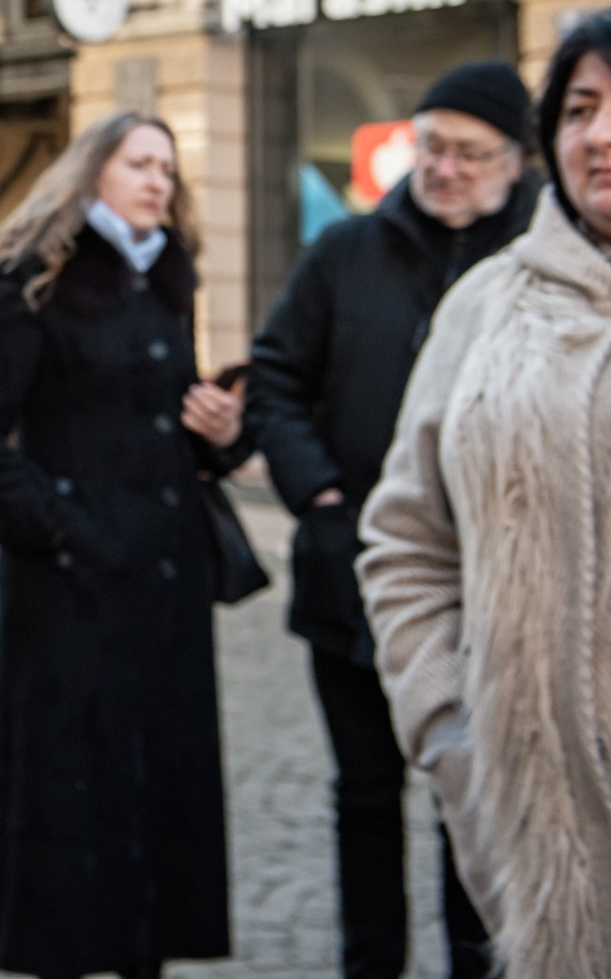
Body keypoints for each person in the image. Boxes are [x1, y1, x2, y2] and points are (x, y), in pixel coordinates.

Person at [0, 112, 249, 979]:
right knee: (76, 801)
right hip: (71, 590)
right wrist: (59, 526)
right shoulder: (31, 280)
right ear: (91, 173)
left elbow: (163, 424)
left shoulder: (166, 280)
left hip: (165, 584)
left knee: (157, 793)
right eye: (139, 162)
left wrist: (221, 431)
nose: (157, 180)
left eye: (167, 168)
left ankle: (147, 955)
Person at [248, 61, 534, 979]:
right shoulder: (346, 250)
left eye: (468, 152)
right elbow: (277, 376)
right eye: (431, 146)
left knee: (480, 803)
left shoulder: (539, 260)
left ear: (516, 161)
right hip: (352, 576)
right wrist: (319, 496)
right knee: (365, 797)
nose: (443, 168)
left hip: (496, 589)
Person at [359, 13, 611, 979]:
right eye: (581, 108)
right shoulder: (490, 304)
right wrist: (452, 734)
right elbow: (407, 540)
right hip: (537, 834)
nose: (598, 134)